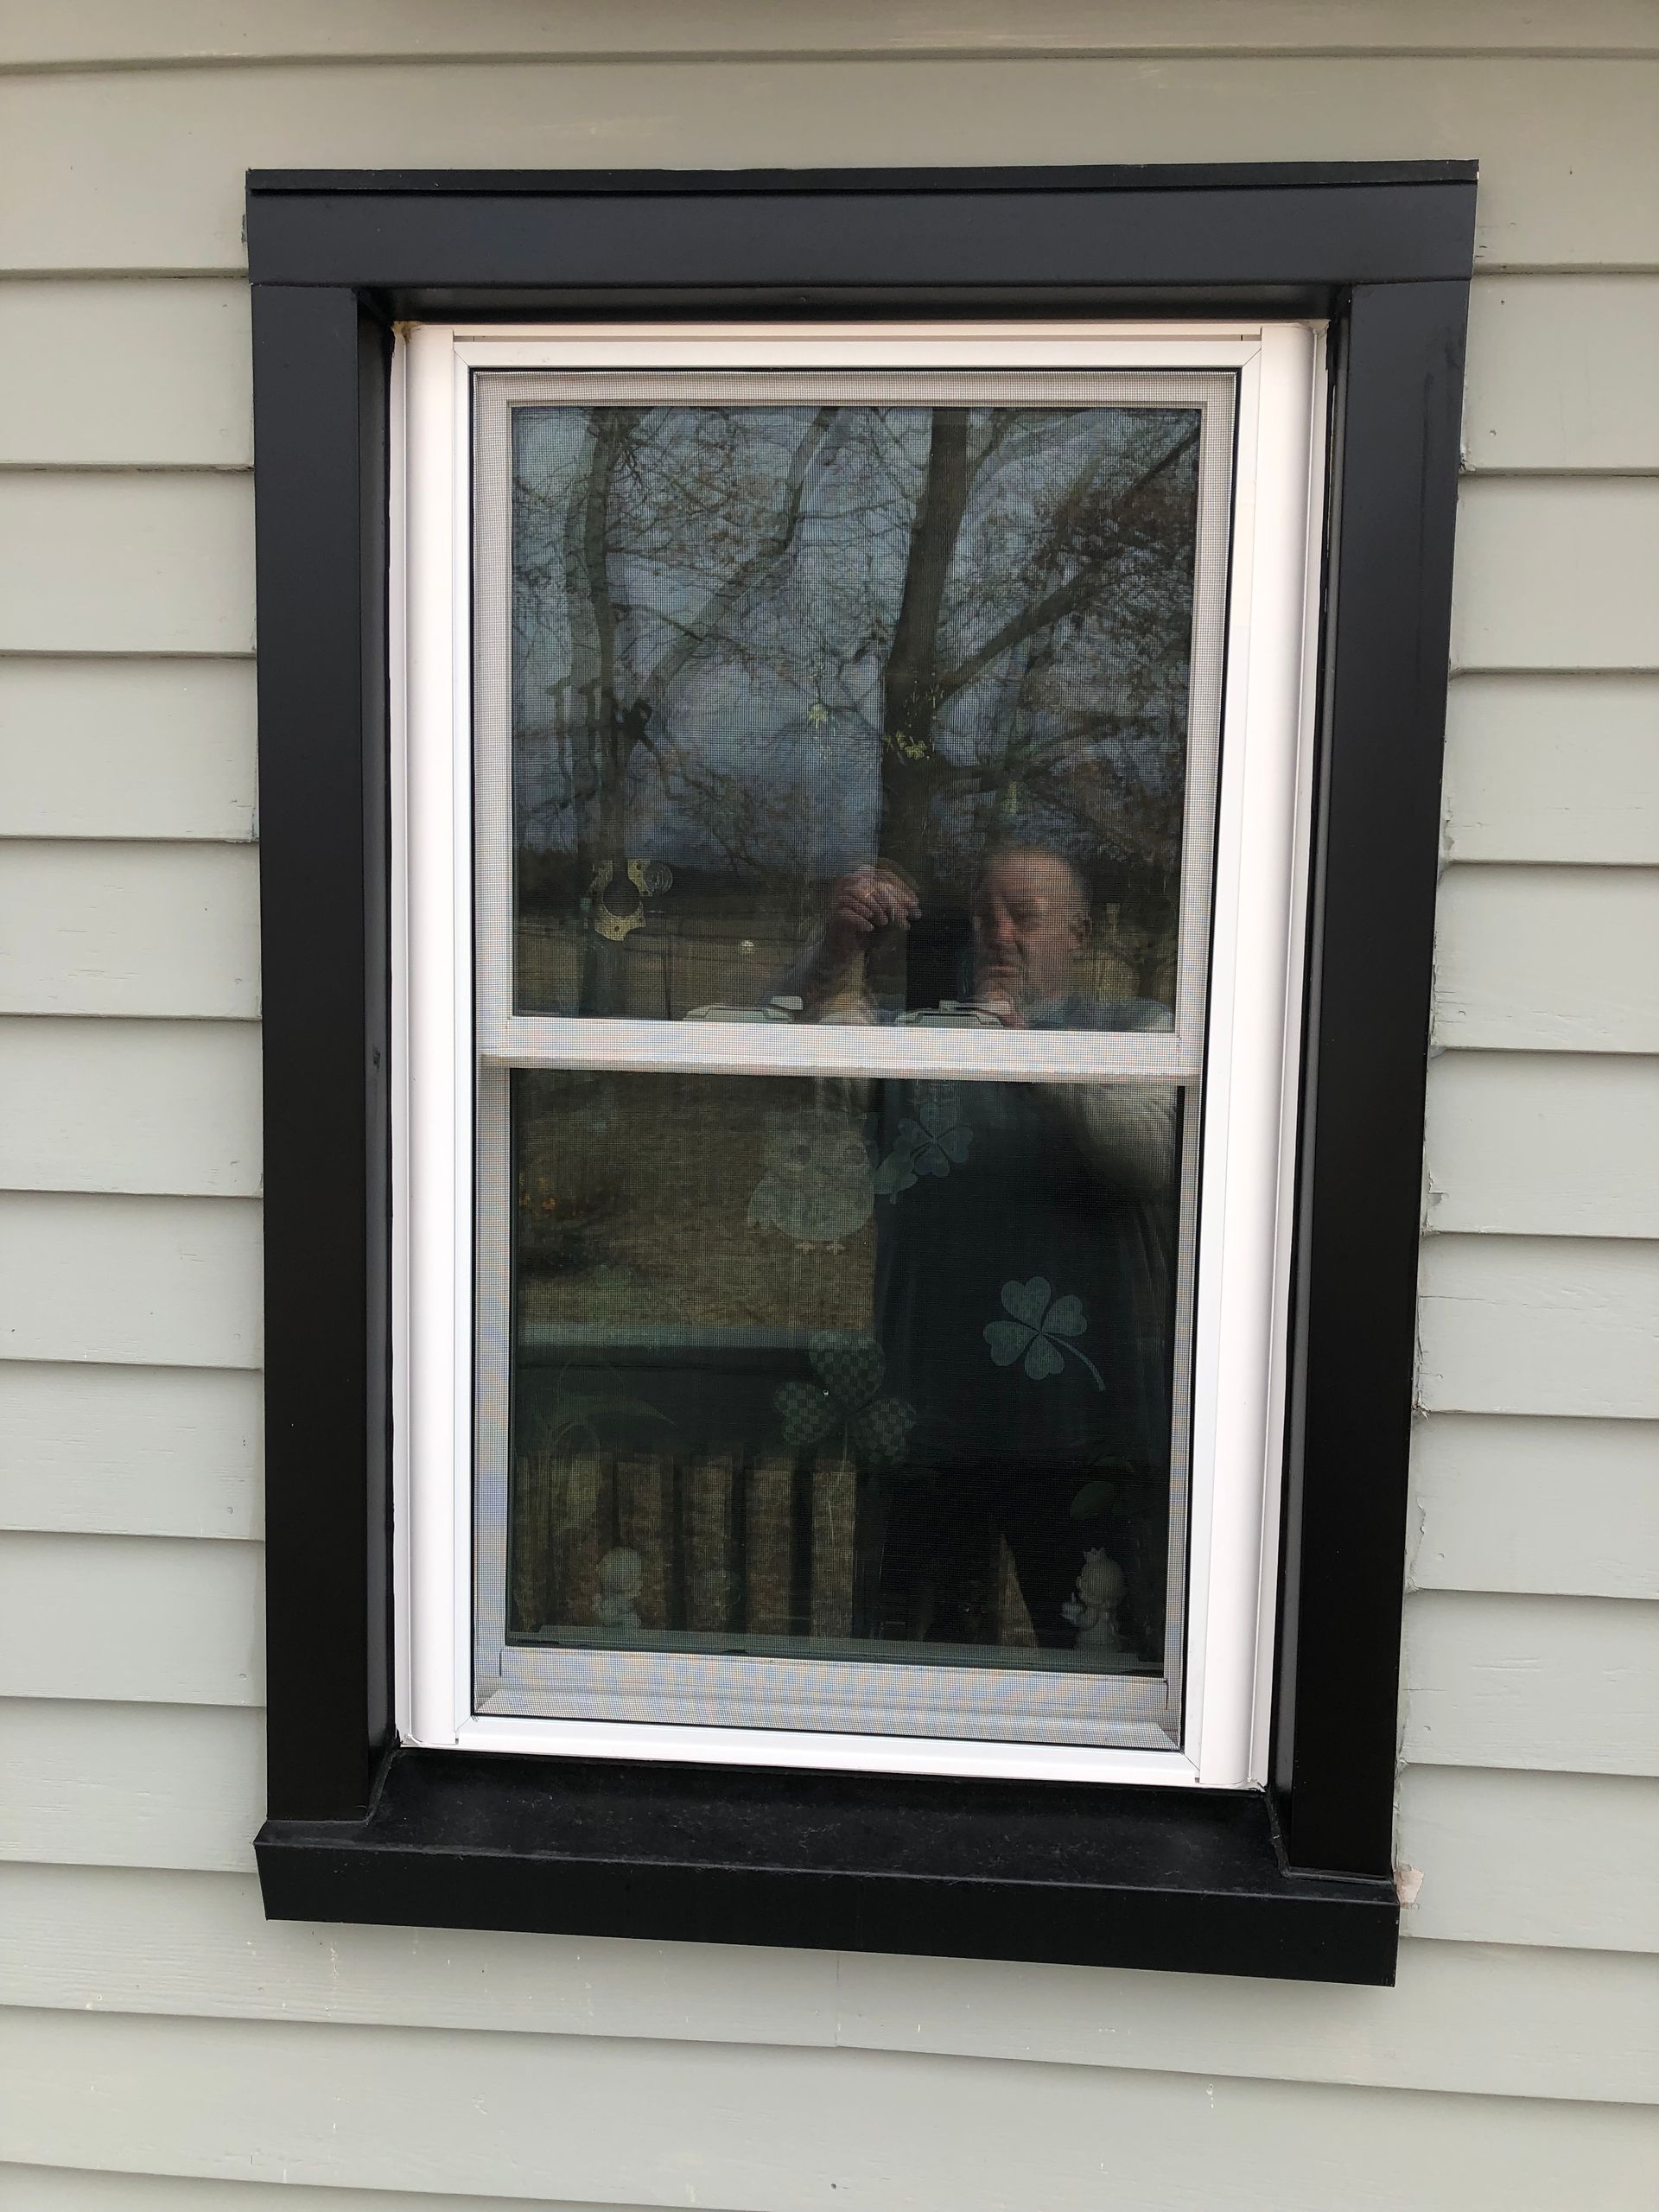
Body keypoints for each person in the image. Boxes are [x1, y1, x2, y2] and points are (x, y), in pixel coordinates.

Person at [791, 842, 1179, 1656]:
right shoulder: (918, 1038)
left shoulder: (1132, 1030)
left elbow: (1145, 1154)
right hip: (926, 1430)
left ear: (1079, 934)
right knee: (915, 1672)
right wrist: (838, 956)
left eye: (1025, 916)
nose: (998, 934)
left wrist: (1027, 1050)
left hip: (1082, 1435)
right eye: (982, 914)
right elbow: (823, 1080)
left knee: (1101, 1668)